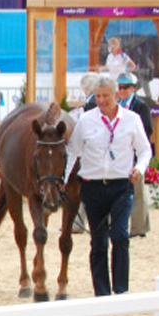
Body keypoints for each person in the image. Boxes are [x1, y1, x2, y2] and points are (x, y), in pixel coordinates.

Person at [65, 72, 151, 296]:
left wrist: (139, 169)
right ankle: (102, 292)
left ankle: (121, 290)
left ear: (116, 95)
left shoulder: (132, 119)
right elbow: (73, 151)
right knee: (99, 240)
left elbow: (145, 150)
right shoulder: (86, 120)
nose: (101, 100)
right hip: (93, 187)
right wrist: (64, 181)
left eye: (105, 96)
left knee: (120, 236)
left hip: (121, 186)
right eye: (98, 95)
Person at [117, 72, 153, 239]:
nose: (122, 90)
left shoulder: (141, 107)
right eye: (120, 87)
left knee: (137, 191)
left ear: (133, 88)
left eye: (126, 87)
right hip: (119, 155)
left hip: (136, 154)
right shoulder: (116, 106)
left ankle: (139, 227)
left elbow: (148, 130)